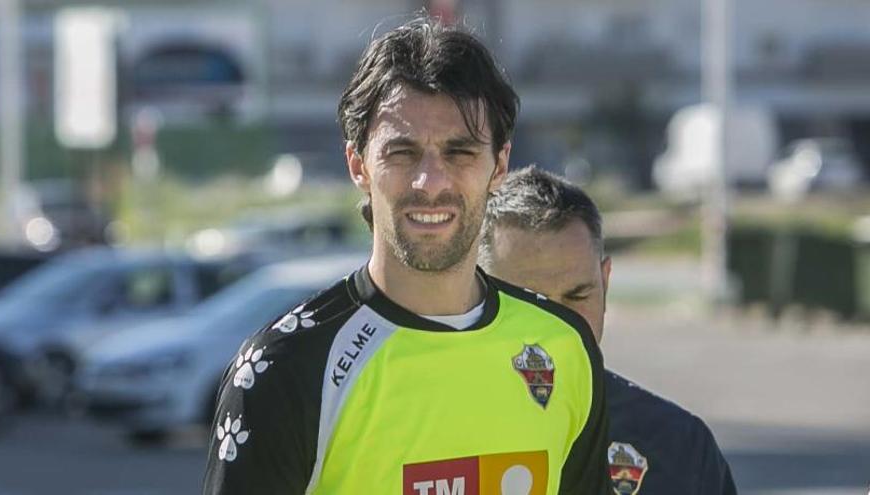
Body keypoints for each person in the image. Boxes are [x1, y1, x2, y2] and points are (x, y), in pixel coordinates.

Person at [203, 18, 612, 494]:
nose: (430, 182)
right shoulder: (285, 368)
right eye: (402, 153)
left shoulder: (564, 346)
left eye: (459, 153)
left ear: (499, 165)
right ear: (357, 164)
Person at [480, 165, 738, 494]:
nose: (561, 325)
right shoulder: (425, 429)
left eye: (577, 296)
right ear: (475, 293)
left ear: (605, 282)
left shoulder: (677, 446)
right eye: (532, 302)